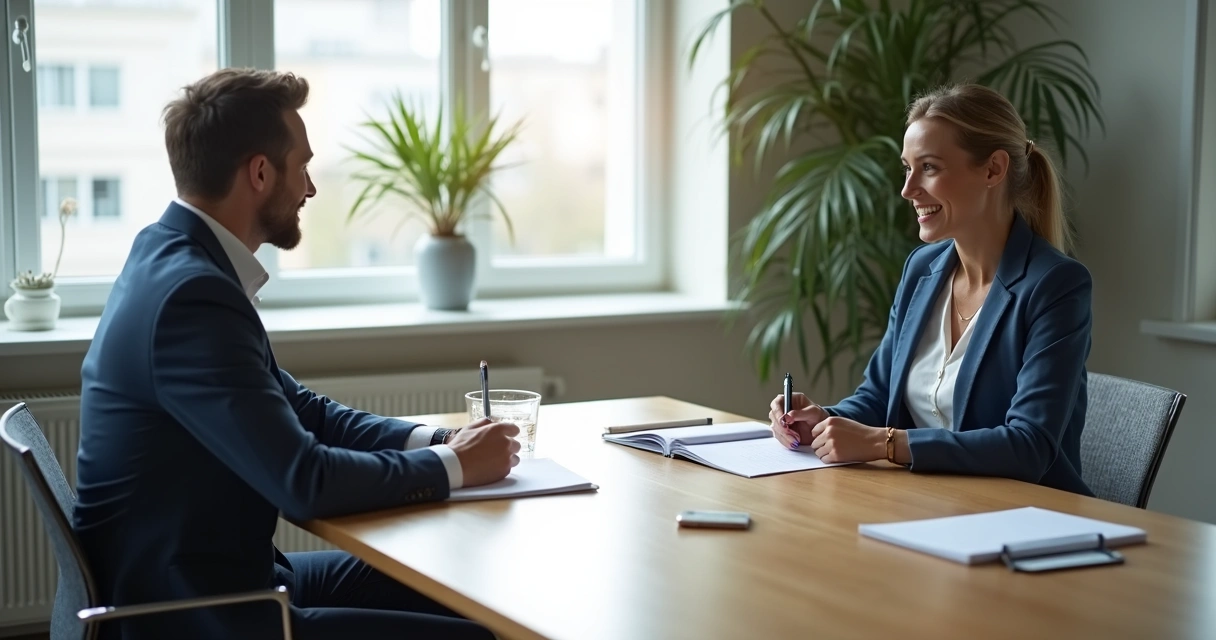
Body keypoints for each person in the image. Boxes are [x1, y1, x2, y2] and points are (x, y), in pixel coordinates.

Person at [74, 68, 517, 639]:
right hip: (192, 615)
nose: (310, 188)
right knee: (478, 635)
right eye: (303, 166)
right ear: (260, 172)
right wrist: (457, 467)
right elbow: (302, 481)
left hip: (215, 580)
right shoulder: (193, 296)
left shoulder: (172, 257)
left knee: (452, 587)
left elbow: (303, 411)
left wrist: (437, 441)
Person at [768, 84, 1094, 496]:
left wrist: (886, 443)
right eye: (907, 168)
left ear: (993, 170)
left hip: (1022, 518)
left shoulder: (1055, 285)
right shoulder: (922, 270)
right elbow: (877, 397)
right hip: (926, 505)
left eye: (930, 168)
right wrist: (821, 420)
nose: (908, 189)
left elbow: (1029, 446)